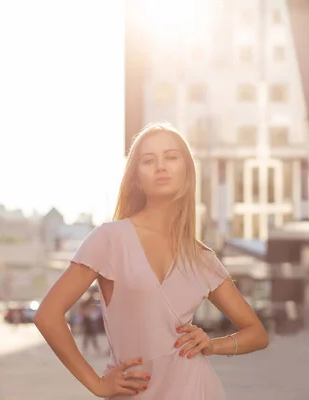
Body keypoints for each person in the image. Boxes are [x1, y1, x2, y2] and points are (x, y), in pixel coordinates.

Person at [34, 122, 269, 399]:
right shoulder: (109, 239)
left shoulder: (202, 258)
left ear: (187, 171)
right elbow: (47, 316)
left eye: (171, 157)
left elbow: (257, 333)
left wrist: (212, 344)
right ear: (136, 178)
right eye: (148, 160)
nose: (161, 166)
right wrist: (97, 384)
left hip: (196, 389)